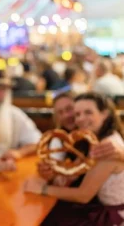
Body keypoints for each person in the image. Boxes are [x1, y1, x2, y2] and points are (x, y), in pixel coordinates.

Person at [24, 92, 124, 225]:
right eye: (78, 114)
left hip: (114, 217)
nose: (81, 119)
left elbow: (83, 195)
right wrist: (54, 174)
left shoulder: (107, 147)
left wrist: (42, 189)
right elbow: (77, 171)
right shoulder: (100, 138)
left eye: (88, 112)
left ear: (104, 114)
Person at [0, 69, 42, 172]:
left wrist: (19, 152)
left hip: (6, 173)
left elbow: (38, 141)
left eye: (2, 89)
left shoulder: (14, 114)